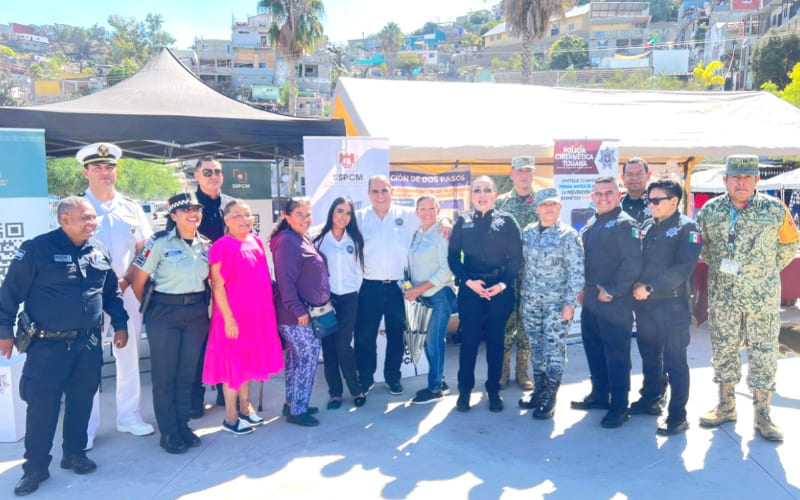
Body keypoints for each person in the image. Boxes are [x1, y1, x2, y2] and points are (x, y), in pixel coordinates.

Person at [0, 197, 128, 496]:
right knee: (42, 407)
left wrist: (120, 324)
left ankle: (74, 453)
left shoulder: (98, 250)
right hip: (48, 345)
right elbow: (9, 293)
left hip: (89, 342)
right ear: (64, 219)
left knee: (81, 401)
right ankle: (35, 468)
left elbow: (110, 293)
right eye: (85, 217)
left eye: (93, 217)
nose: (92, 223)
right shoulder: (37, 249)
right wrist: (4, 330)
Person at [696, 155, 799, 441]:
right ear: (725, 179)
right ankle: (726, 405)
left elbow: (790, 244)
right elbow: (702, 248)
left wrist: (764, 270)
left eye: (747, 177)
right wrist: (723, 268)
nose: (740, 182)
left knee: (764, 354)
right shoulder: (709, 210)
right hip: (723, 297)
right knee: (724, 351)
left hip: (762, 299)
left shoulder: (775, 209)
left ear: (757, 180)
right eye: (735, 177)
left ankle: (763, 414)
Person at [77, 142, 155, 447]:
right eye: (97, 167)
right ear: (86, 172)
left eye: (109, 167)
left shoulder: (131, 208)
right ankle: (86, 426)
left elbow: (145, 249)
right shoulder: (76, 208)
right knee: (88, 362)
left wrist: (126, 281)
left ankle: (129, 416)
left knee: (129, 356)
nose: (104, 172)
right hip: (89, 298)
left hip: (127, 293)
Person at [131, 193, 210, 454]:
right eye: (186, 209)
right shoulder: (159, 243)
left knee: (187, 374)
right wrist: (154, 310)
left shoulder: (206, 246)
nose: (193, 213)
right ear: (173, 216)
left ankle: (182, 425)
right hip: (164, 314)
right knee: (165, 376)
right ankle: (168, 432)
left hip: (196, 314)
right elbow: (138, 281)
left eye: (196, 209)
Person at [203, 199, 284, 435]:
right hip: (233, 318)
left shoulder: (255, 241)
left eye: (247, 215)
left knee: (247, 363)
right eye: (237, 215)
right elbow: (217, 285)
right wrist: (228, 319)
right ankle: (230, 417)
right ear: (226, 220)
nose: (244, 219)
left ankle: (246, 409)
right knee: (232, 366)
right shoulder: (221, 246)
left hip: (257, 316)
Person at [631, 179, 702, 435]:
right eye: (649, 200)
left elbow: (683, 268)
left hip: (672, 305)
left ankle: (678, 415)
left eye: (656, 200)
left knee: (675, 361)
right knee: (650, 355)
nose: (651, 204)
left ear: (674, 201)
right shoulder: (648, 225)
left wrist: (649, 287)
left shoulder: (688, 228)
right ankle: (650, 398)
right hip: (646, 305)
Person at [571, 176, 642, 428]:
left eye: (608, 193)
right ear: (592, 197)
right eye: (598, 194)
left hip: (614, 301)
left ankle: (619, 406)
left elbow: (633, 263)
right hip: (591, 298)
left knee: (616, 354)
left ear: (618, 194)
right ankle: (600, 394)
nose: (603, 197)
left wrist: (611, 290)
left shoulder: (626, 225)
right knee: (594, 348)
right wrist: (582, 288)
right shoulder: (592, 223)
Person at [448, 176, 522, 412]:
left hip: (499, 291)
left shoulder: (508, 221)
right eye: (477, 190)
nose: (482, 194)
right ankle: (464, 391)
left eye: (487, 190)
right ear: (472, 196)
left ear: (495, 195)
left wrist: (502, 285)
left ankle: (493, 391)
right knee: (468, 342)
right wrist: (469, 282)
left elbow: (517, 259)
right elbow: (452, 258)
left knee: (496, 342)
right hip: (471, 291)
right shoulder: (463, 222)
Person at [518, 188, 584, 419]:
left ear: (559, 207)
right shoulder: (527, 233)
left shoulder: (568, 236)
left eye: (552, 204)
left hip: (557, 304)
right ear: (537, 208)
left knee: (554, 349)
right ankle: (539, 390)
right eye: (543, 204)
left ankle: (551, 396)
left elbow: (577, 272)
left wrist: (569, 304)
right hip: (531, 302)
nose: (548, 208)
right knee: (535, 347)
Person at [270, 197, 330, 427]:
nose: (305, 219)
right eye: (299, 214)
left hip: (303, 312)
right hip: (296, 316)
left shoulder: (299, 238)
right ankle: (298, 410)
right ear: (287, 216)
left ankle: (293, 403)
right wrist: (297, 310)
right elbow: (285, 281)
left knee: (296, 360)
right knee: (307, 359)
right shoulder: (287, 242)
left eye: (308, 214)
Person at [312, 197, 367, 409]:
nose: (343, 217)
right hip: (325, 301)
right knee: (329, 348)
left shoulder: (354, 240)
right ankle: (335, 393)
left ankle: (356, 389)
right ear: (331, 213)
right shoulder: (318, 238)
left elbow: (360, 270)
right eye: (339, 211)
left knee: (343, 345)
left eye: (347, 213)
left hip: (349, 298)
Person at [191, 156, 234, 417]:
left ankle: (223, 389)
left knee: (224, 338)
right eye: (207, 171)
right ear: (197, 175)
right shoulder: (186, 204)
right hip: (196, 282)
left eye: (217, 171)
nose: (213, 175)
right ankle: (195, 398)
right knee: (197, 342)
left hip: (227, 282)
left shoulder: (231, 205)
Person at [405, 194, 457, 405]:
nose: (426, 213)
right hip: (421, 295)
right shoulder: (418, 232)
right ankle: (440, 381)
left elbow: (446, 270)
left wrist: (419, 289)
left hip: (439, 295)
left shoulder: (442, 233)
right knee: (428, 341)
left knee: (434, 342)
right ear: (416, 212)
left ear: (438, 211)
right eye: (422, 209)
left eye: (431, 209)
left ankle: (435, 388)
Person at [495, 156, 539, 390]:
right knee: (503, 323)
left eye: (528, 171)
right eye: (519, 171)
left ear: (533, 174)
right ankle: (502, 373)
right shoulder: (500, 203)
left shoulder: (542, 202)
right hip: (505, 275)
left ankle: (523, 373)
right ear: (511, 174)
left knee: (526, 324)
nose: (524, 175)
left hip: (532, 275)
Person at [620, 157, 652, 224]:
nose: (634, 178)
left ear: (648, 176)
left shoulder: (657, 203)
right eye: (629, 174)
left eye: (639, 174)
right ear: (623, 177)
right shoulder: (617, 204)